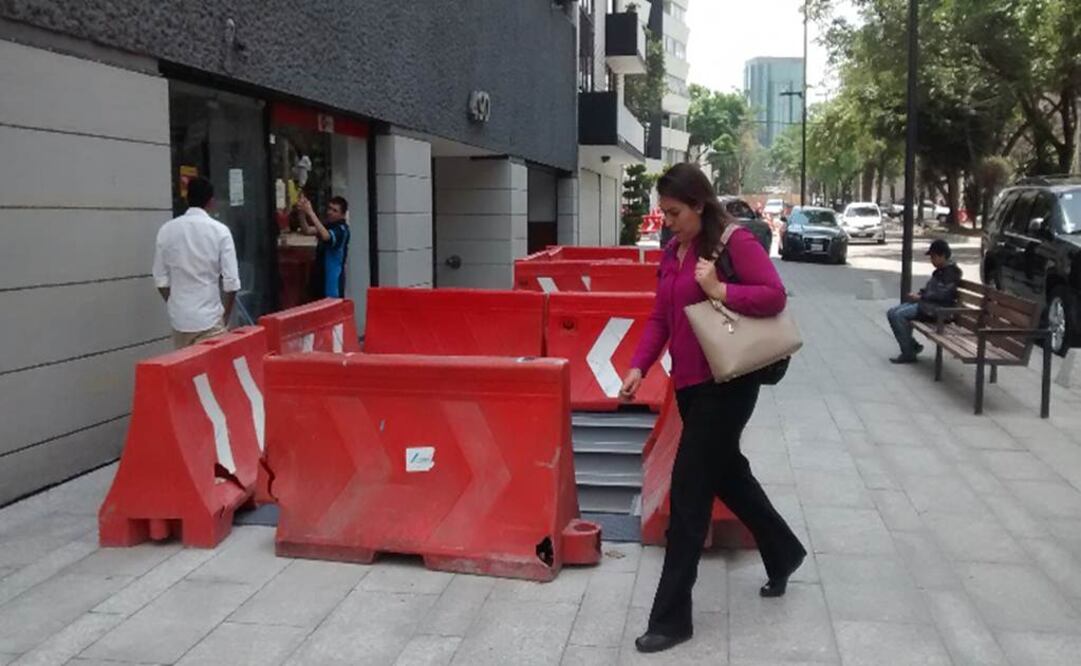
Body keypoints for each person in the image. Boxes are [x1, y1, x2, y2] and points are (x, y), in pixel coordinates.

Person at [620, 163, 806, 654]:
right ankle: (783, 551)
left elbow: (773, 295)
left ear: (700, 205)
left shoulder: (734, 244)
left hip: (729, 382)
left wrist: (720, 290)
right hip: (689, 384)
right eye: (664, 212)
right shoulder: (672, 250)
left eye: (675, 212)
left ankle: (671, 618)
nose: (668, 221)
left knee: (688, 495)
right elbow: (661, 315)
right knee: (728, 475)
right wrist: (640, 365)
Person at [153, 177, 241, 349]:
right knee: (212, 373)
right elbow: (231, 283)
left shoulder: (167, 230)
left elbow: (160, 279)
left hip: (179, 319)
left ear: (187, 199)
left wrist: (174, 302)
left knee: (183, 371)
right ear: (211, 202)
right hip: (210, 319)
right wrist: (224, 318)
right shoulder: (220, 232)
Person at [886, 239, 963, 364]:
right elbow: (931, 289)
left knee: (897, 315)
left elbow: (942, 295)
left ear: (943, 256)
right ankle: (912, 347)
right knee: (892, 312)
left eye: (934, 257)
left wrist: (921, 297)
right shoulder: (940, 271)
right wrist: (920, 294)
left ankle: (909, 352)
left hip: (938, 310)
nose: (932, 260)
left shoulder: (951, 273)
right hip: (928, 305)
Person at [298, 194, 351, 299]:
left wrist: (311, 212)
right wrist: (302, 212)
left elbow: (327, 236)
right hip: (319, 279)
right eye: (329, 209)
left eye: (335, 210)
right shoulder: (327, 226)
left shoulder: (342, 230)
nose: (330, 212)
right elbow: (307, 230)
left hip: (332, 285)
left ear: (343, 214)